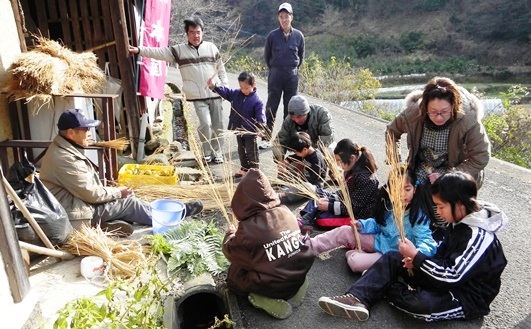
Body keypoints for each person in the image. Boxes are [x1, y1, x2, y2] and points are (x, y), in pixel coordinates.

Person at [318, 171, 508, 322]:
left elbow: (453, 275)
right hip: (442, 278)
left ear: (459, 205)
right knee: (393, 258)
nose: (439, 213)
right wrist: (416, 261)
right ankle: (357, 298)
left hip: (464, 295)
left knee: (420, 305)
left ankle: (379, 283)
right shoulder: (459, 220)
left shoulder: (478, 236)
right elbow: (441, 255)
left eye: (441, 207)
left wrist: (418, 258)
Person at [39, 109, 203, 237]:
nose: (89, 133)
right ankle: (173, 217)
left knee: (126, 199)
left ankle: (108, 223)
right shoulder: (64, 158)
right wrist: (118, 192)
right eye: (86, 129)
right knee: (128, 202)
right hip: (75, 213)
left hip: (77, 203)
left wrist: (115, 193)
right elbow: (91, 194)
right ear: (70, 133)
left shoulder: (64, 149)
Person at [386, 77, 491, 239]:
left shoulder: (468, 119)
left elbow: (481, 156)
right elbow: (392, 132)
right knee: (410, 189)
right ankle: (416, 226)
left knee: (445, 194)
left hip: (455, 167)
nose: (439, 117)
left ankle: (447, 229)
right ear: (425, 107)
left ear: (454, 106)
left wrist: (449, 174)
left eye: (444, 112)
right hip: (423, 163)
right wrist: (396, 162)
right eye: (433, 112)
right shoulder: (414, 113)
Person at [129, 16, 228, 164]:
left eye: (198, 32)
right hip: (196, 95)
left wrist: (224, 86)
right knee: (206, 124)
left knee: (218, 125)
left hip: (215, 92)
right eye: (192, 32)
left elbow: (221, 68)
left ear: (203, 33)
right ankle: (207, 152)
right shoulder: (179, 51)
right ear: (187, 34)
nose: (196, 35)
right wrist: (139, 50)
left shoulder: (211, 48)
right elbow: (159, 52)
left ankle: (217, 152)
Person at [222, 168, 314, 319]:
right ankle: (297, 286)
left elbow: (229, 251)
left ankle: (263, 298)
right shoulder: (286, 212)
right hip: (299, 272)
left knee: (235, 275)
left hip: (274, 285)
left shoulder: (248, 230)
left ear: (242, 199)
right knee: (269, 259)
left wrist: (230, 234)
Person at [305, 168, 437, 273]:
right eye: (396, 190)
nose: (401, 194)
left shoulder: (418, 215)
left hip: (391, 255)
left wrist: (415, 255)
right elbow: (378, 224)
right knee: (345, 231)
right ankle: (308, 247)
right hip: (379, 241)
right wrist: (361, 225)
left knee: (355, 262)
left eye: (407, 189)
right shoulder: (389, 205)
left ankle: (359, 254)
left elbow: (427, 241)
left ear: (415, 189)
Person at [297, 139, 379, 233]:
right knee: (318, 193)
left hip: (357, 217)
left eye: (340, 161)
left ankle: (308, 218)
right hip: (345, 204)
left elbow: (352, 209)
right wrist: (330, 199)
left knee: (321, 219)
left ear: (352, 158)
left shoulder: (366, 179)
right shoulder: (352, 169)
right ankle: (306, 219)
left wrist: (329, 206)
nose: (339, 165)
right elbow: (344, 193)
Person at [261, 2, 305, 149]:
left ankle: (288, 139)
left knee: (290, 107)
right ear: (278, 18)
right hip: (276, 75)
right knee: (271, 106)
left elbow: (301, 57)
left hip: (292, 75)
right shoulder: (272, 36)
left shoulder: (299, 36)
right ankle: (267, 137)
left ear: (291, 17)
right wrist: (276, 67)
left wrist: (291, 68)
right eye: (281, 16)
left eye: (286, 16)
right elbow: (267, 57)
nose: (284, 19)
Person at [207, 71, 266, 178]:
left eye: (247, 88)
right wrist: (214, 87)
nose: (244, 90)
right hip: (238, 129)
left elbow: (261, 117)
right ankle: (244, 168)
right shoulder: (236, 94)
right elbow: (226, 92)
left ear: (254, 85)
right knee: (241, 150)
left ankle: (255, 172)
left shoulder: (257, 101)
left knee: (252, 152)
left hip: (250, 132)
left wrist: (261, 129)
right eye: (241, 87)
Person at [272, 95, 334, 165]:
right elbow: (281, 141)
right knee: (287, 167)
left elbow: (327, 137)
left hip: (319, 150)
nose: (296, 120)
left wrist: (309, 155)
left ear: (306, 112)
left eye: (299, 116)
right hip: (301, 152)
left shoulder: (321, 114)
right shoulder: (289, 121)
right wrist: (279, 159)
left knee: (331, 153)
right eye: (293, 117)